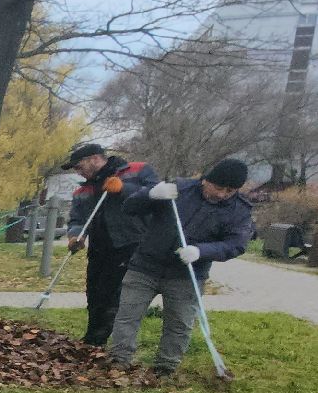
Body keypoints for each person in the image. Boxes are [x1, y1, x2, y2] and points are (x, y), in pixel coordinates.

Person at [109, 157, 255, 376]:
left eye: (230, 191)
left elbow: (236, 244)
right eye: (219, 187)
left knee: (179, 323)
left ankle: (165, 367)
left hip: (187, 275)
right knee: (127, 315)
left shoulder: (239, 211)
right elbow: (129, 208)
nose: (222, 194)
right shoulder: (179, 189)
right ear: (206, 180)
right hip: (145, 265)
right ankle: (119, 360)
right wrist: (150, 195)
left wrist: (201, 251)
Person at [60, 142, 158, 346]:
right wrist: (76, 236)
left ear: (95, 159)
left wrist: (123, 189)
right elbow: (78, 219)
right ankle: (93, 339)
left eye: (79, 166)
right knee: (95, 293)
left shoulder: (137, 171)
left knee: (116, 295)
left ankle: (112, 343)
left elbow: (156, 196)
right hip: (100, 248)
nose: (78, 172)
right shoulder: (83, 191)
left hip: (131, 244)